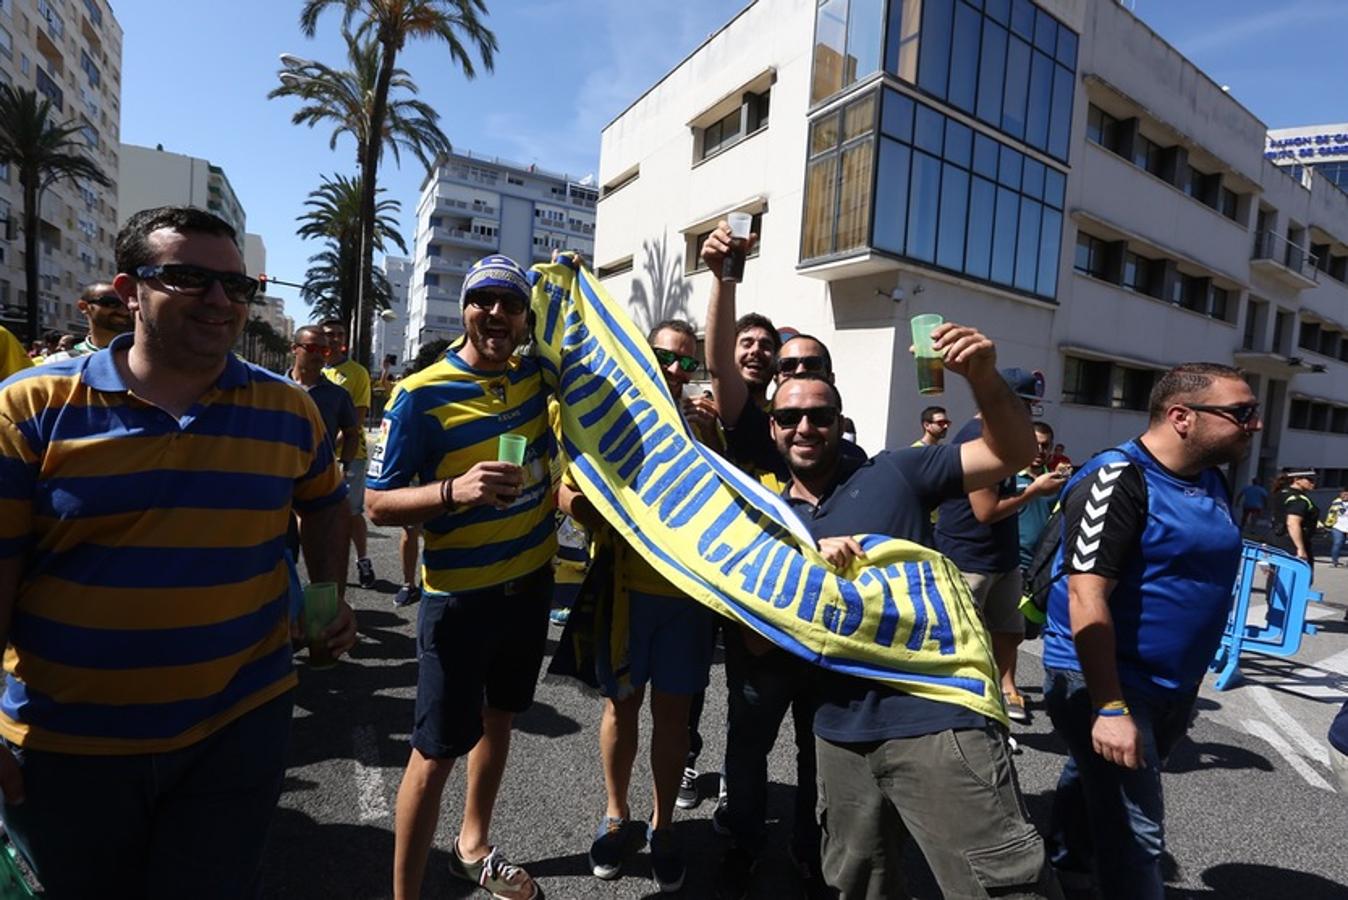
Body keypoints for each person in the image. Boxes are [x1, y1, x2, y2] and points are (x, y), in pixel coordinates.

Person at [0, 206, 357, 896]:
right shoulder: (32, 406)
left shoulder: (288, 409)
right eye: (190, 278)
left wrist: (327, 599)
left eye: (237, 285)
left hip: (239, 726)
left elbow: (323, 504)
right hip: (68, 744)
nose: (221, 301)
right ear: (130, 289)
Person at [760, 360, 1055, 898]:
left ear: (839, 420)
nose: (805, 427)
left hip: (937, 717)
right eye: (790, 416)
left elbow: (1010, 454)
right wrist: (807, 565)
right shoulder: (770, 521)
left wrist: (983, 378)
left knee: (1003, 887)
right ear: (773, 427)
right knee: (857, 885)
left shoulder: (893, 471)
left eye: (819, 415)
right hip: (839, 733)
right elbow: (757, 637)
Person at [368, 254, 556, 900]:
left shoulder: (535, 376)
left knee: (499, 720)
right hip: (459, 603)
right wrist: (455, 490)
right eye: (484, 300)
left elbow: (585, 344)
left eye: (511, 303)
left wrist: (566, 280)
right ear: (465, 309)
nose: (496, 314)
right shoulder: (419, 395)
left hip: (529, 588)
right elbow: (375, 504)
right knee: (435, 753)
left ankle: (471, 846)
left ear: (526, 318)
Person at [1042, 363, 1257, 899]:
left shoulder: (1211, 476)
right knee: (1139, 834)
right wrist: (1110, 708)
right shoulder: (1116, 477)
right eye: (1241, 413)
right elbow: (1085, 596)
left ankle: (1064, 867)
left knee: (1093, 776)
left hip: (1173, 684)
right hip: (1105, 679)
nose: (1252, 425)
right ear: (1182, 416)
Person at [559, 318, 718, 892]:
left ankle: (665, 825)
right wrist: (588, 511)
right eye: (664, 357)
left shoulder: (707, 426)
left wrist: (707, 441)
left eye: (686, 362)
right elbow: (566, 484)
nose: (675, 370)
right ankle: (617, 815)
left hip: (686, 601)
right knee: (620, 710)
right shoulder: (613, 414)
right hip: (625, 594)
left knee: (674, 719)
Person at [935, 368, 1052, 723]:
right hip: (970, 558)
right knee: (963, 644)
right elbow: (985, 511)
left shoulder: (1001, 437)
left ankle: (993, 702)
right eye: (1027, 406)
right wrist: (1034, 491)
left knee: (1009, 633)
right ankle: (960, 715)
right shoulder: (977, 439)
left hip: (1002, 559)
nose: (1030, 415)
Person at [389, 339, 451, 609]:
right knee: (411, 529)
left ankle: (433, 580)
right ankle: (408, 583)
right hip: (416, 473)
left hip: (446, 473)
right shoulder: (413, 391)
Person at [321, 318, 377, 589]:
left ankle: (363, 561)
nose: (334, 339)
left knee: (352, 512)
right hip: (316, 455)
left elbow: (355, 421)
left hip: (351, 455)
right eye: (329, 334)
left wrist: (329, 445)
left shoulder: (357, 373)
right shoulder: (312, 370)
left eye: (339, 334)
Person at [291, 325, 359, 466]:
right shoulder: (276, 388)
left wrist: (344, 465)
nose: (318, 354)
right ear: (294, 349)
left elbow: (352, 434)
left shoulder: (338, 395)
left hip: (319, 478)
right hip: (278, 475)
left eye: (324, 350)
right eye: (311, 348)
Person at [40, 282, 133, 362]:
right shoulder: (58, 362)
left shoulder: (143, 358)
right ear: (83, 307)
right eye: (112, 303)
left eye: (128, 304)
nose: (124, 311)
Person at [1276, 469, 1319, 569]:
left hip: (1277, 540)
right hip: (1291, 544)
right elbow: (1293, 523)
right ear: (1297, 480)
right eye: (1310, 480)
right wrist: (1300, 549)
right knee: (1299, 579)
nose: (1313, 483)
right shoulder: (1298, 499)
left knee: (1278, 578)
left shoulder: (1282, 493)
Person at [1327, 489, 1348, 567]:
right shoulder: (1336, 502)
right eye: (1343, 494)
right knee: (1337, 543)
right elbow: (1330, 514)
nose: (1345, 496)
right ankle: (1334, 561)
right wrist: (1328, 525)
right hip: (1338, 526)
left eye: (1347, 494)